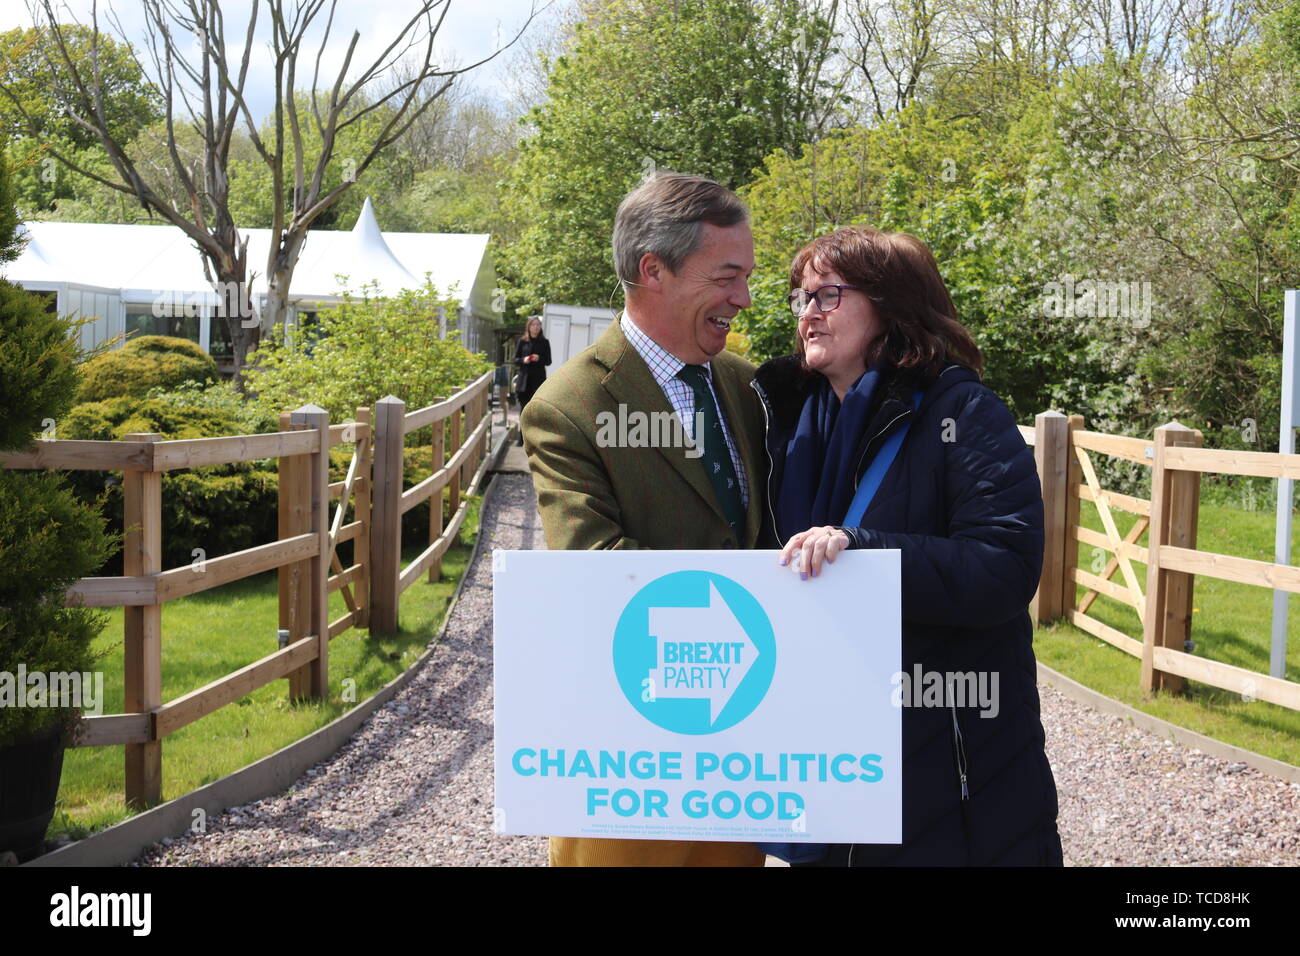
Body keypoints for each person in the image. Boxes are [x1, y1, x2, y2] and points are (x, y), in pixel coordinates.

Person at [753, 225, 1063, 866]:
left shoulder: (964, 412)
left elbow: (1005, 567)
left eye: (828, 295)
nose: (807, 313)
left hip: (943, 767)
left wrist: (860, 552)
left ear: (891, 306)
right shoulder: (780, 420)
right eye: (800, 297)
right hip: (819, 753)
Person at [520, 171, 769, 867]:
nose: (742, 300)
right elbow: (593, 566)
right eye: (727, 277)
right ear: (652, 270)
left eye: (746, 277)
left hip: (743, 755)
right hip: (629, 755)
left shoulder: (747, 388)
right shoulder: (568, 407)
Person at [513, 316, 551, 444]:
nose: (536, 327)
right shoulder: (522, 341)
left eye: (538, 325)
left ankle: (534, 439)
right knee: (523, 411)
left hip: (538, 381)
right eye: (533, 325)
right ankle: (521, 438)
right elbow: (515, 360)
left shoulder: (545, 342)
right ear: (528, 327)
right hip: (524, 382)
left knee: (535, 412)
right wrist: (524, 360)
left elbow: (548, 361)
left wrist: (539, 358)